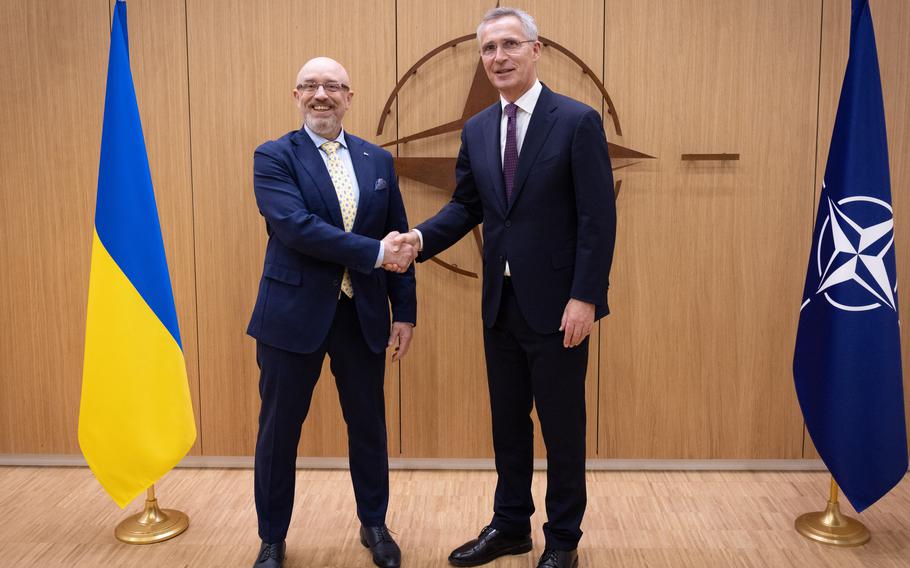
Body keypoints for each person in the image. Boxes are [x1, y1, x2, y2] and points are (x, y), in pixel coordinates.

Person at [394, 8, 616, 568]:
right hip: (500, 304)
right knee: (508, 423)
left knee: (563, 429)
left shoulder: (577, 120)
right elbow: (467, 206)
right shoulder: (477, 128)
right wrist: (419, 239)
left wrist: (585, 297)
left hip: (562, 306)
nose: (499, 57)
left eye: (510, 45)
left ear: (536, 51)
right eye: (489, 49)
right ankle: (512, 525)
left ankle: (563, 539)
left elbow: (597, 219)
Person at [247, 57, 417, 568]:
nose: (322, 95)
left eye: (333, 87)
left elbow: (400, 237)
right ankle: (272, 538)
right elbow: (295, 226)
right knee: (280, 431)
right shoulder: (274, 155)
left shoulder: (377, 160)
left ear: (349, 95)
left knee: (368, 425)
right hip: (291, 315)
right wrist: (372, 253)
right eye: (311, 86)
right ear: (296, 94)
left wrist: (403, 312)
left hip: (361, 315)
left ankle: (374, 524)